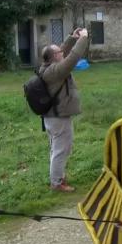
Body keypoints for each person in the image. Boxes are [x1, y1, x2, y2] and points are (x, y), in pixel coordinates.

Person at [40, 27, 89, 192]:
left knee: (57, 149)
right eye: (59, 52)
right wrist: (82, 39)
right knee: (61, 150)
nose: (62, 52)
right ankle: (57, 183)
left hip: (53, 117)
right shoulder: (56, 71)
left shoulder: (50, 66)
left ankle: (57, 177)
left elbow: (62, 52)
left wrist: (71, 38)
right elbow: (73, 58)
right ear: (54, 57)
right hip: (58, 118)